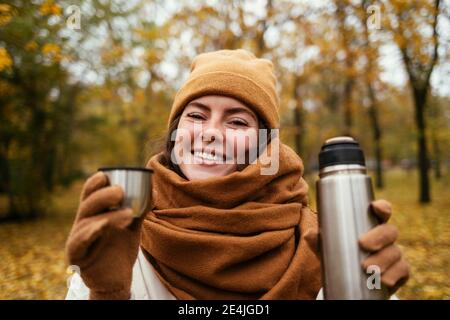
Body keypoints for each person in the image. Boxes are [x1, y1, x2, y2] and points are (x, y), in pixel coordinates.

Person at [65, 49, 410, 300]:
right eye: (197, 116)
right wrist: (107, 293)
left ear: (264, 145)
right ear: (175, 132)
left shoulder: (329, 246)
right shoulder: (122, 237)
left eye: (237, 121)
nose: (210, 133)